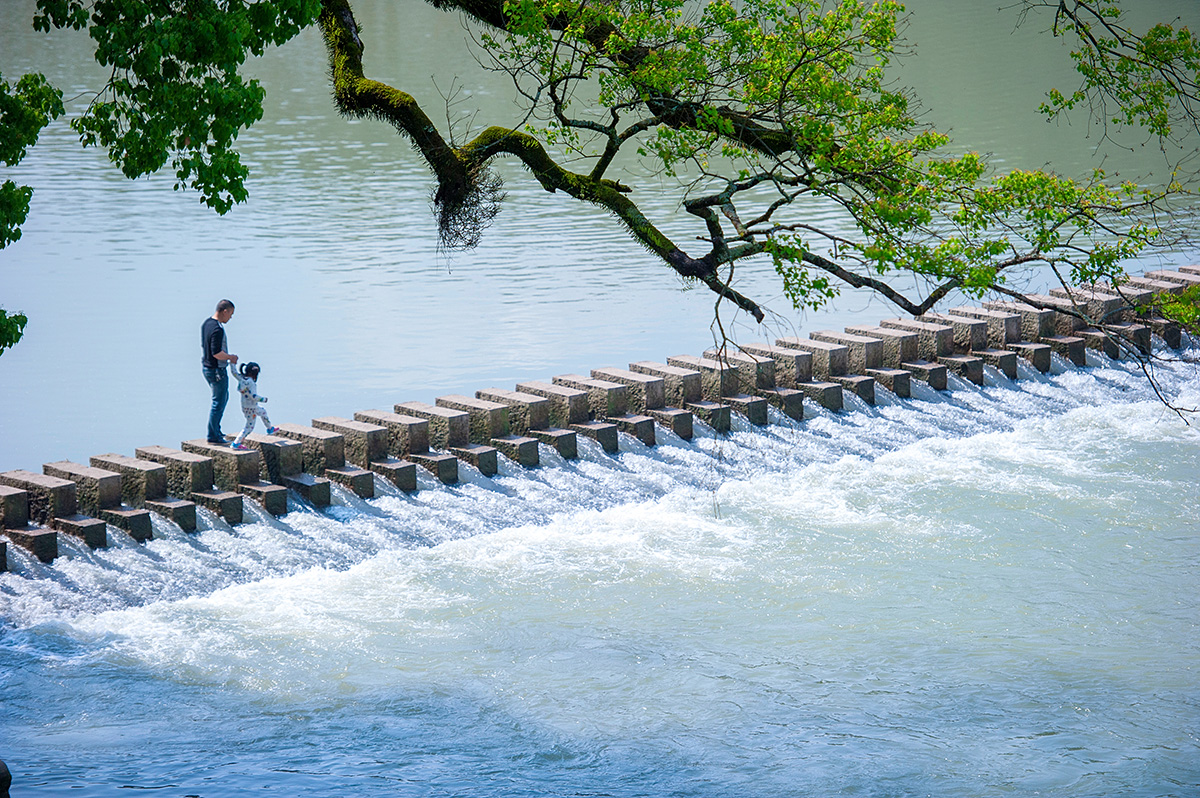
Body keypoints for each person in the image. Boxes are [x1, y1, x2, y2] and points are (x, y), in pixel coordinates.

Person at [201, 299, 237, 444]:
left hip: (207, 368)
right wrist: (230, 357)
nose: (231, 317)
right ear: (225, 311)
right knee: (218, 402)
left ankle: (216, 430)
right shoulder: (217, 329)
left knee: (222, 398)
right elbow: (216, 352)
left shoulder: (207, 323)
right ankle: (213, 436)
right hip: (216, 370)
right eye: (231, 314)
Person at [229, 361, 279, 449]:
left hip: (246, 406)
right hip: (252, 408)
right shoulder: (251, 383)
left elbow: (234, 373)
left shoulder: (242, 379)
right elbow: (253, 396)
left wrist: (232, 363)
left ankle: (270, 428)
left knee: (263, 412)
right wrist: (263, 399)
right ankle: (236, 443)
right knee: (249, 427)